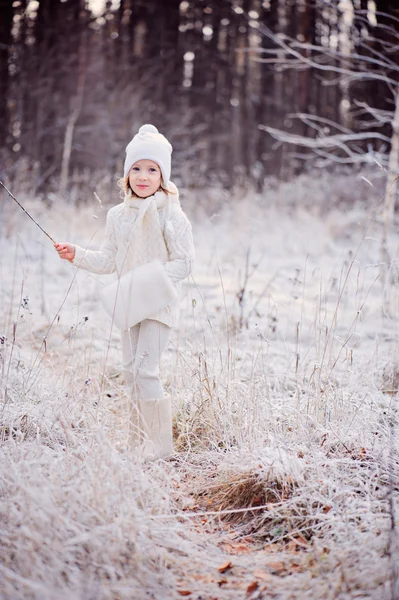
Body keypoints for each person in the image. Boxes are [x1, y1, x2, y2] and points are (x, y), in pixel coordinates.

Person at [55, 124, 194, 460]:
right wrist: (77, 254)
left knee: (147, 370)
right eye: (136, 168)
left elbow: (185, 264)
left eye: (151, 169)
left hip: (157, 302)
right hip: (129, 303)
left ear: (163, 175)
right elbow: (108, 261)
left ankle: (160, 448)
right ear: (126, 173)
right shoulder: (117, 216)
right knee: (131, 372)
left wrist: (150, 280)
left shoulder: (172, 216)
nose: (143, 176)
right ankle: (137, 442)